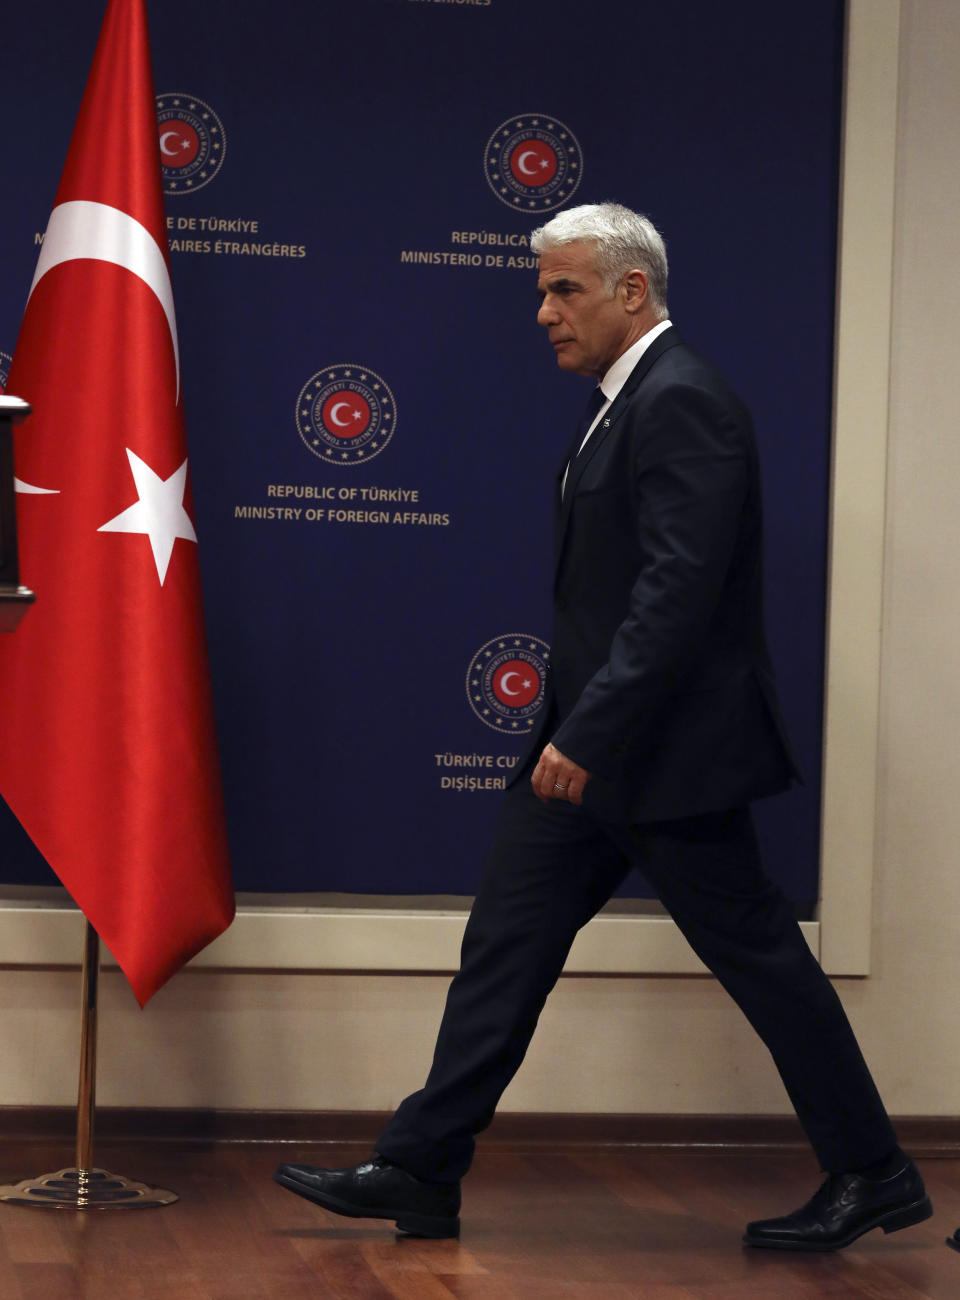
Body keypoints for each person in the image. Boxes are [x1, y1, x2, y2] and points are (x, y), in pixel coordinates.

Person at [274, 203, 932, 1251]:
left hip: (661, 756)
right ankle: (420, 1166)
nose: (543, 311)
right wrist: (570, 733)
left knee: (763, 961)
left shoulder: (683, 401)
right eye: (541, 289)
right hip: (587, 749)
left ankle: (873, 1170)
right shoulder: (620, 404)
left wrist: (589, 733)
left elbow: (676, 593)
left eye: (564, 288)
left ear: (634, 290)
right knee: (505, 946)